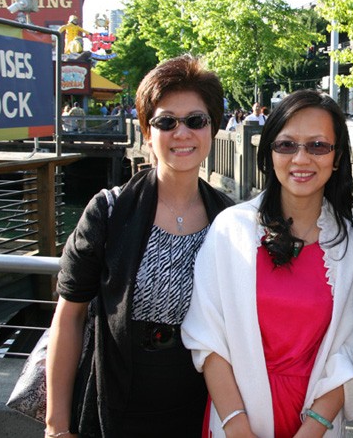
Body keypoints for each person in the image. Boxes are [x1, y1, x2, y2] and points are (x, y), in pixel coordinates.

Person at [46, 55, 233, 438]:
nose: (182, 133)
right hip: (114, 400)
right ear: (148, 132)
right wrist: (56, 426)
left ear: (212, 129)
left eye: (195, 120)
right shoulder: (109, 211)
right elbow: (69, 316)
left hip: (199, 406)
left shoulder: (230, 220)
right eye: (166, 122)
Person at [182, 89, 353, 438]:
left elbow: (350, 350)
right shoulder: (231, 230)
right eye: (286, 145)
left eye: (318, 146)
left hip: (315, 421)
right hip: (236, 416)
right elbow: (207, 337)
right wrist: (237, 425)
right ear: (270, 153)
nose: (301, 158)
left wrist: (313, 429)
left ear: (337, 157)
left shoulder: (350, 246)